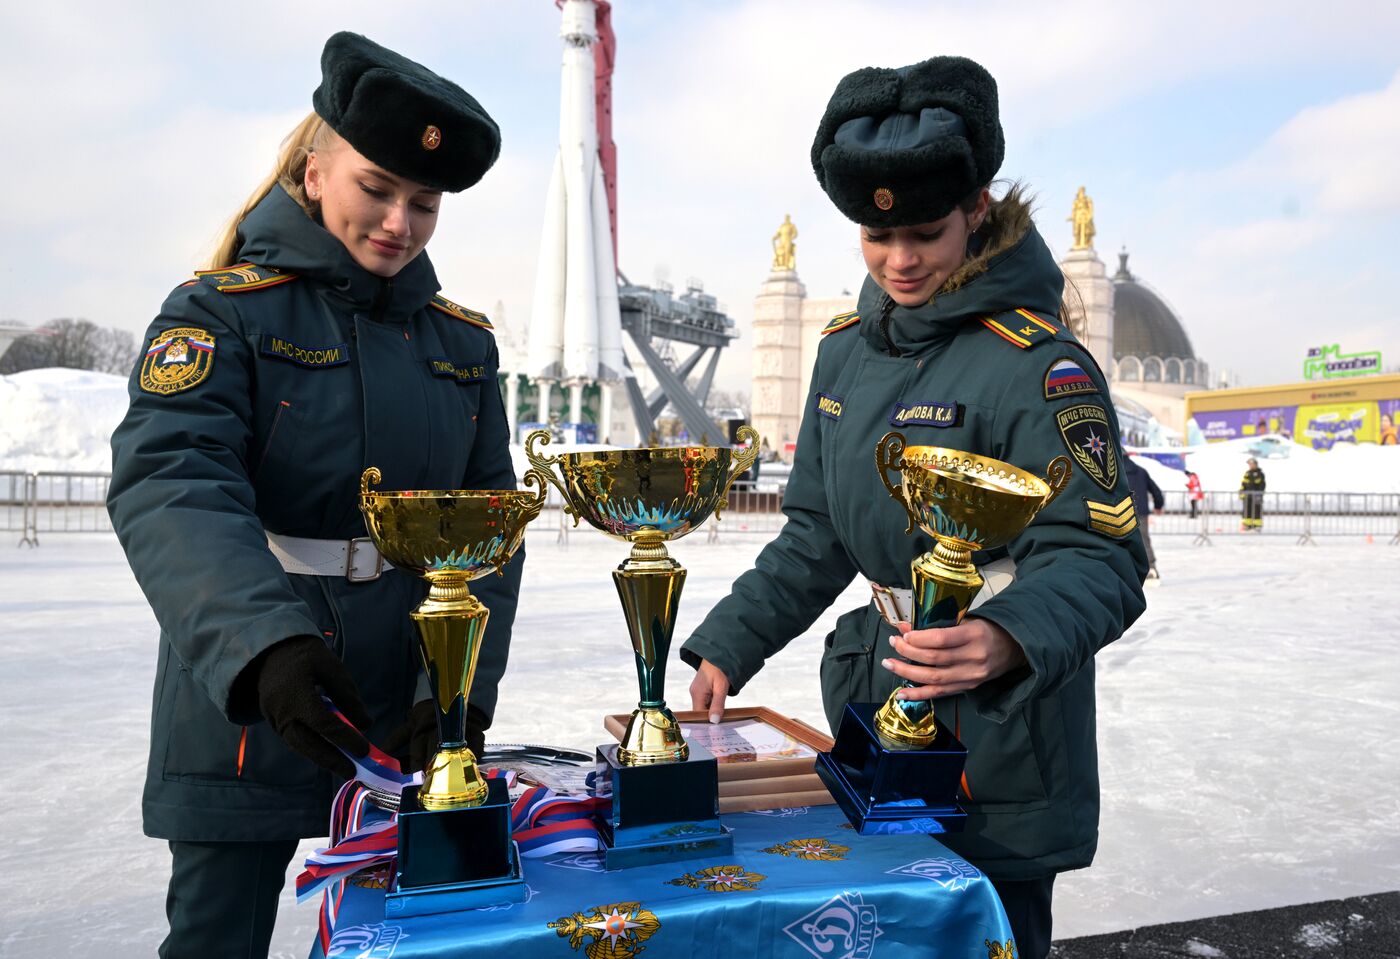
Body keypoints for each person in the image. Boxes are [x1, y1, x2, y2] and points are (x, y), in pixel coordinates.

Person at [682, 57, 1148, 958]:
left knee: (982, 938)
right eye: (874, 235)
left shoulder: (1037, 364)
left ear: (978, 210)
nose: (900, 261)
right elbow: (817, 533)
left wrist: (1009, 633)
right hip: (873, 707)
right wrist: (727, 646)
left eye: (927, 233)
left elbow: (1101, 556)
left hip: (999, 735)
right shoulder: (846, 354)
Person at [106, 33, 521, 959]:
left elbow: (490, 530)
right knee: (217, 939)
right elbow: (173, 482)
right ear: (313, 170)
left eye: (424, 203)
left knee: (416, 942)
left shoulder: (462, 346)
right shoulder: (221, 312)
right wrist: (265, 649)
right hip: (256, 691)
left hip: (410, 702)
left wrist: (457, 691)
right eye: (376, 188)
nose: (399, 222)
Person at [1124, 455, 1165, 580]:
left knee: (1119, 541)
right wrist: (1159, 504)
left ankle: (1123, 570)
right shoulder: (1141, 471)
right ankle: (1151, 568)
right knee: (1144, 540)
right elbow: (1155, 490)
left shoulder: (1113, 471)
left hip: (1118, 512)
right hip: (1140, 511)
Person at [1240, 457, 1266, 530]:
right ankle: (1247, 525)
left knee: (1257, 510)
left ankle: (1257, 525)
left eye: (1252, 464)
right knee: (1247, 510)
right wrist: (1242, 493)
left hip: (1257, 495)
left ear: (1255, 464)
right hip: (1247, 495)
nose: (1250, 466)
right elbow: (1243, 484)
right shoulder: (1247, 473)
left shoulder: (1260, 474)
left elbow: (1262, 485)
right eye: (1249, 464)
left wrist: (1260, 494)